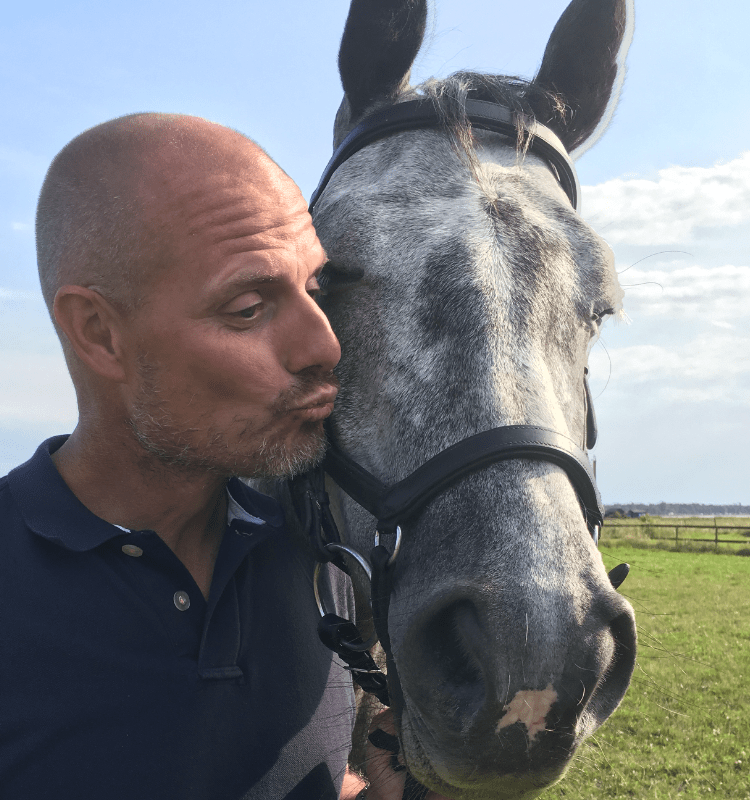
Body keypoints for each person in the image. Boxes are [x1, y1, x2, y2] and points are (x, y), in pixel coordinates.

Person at [0, 112, 366, 799]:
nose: (324, 346)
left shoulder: (319, 559)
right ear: (99, 333)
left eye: (315, 289)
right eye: (249, 308)